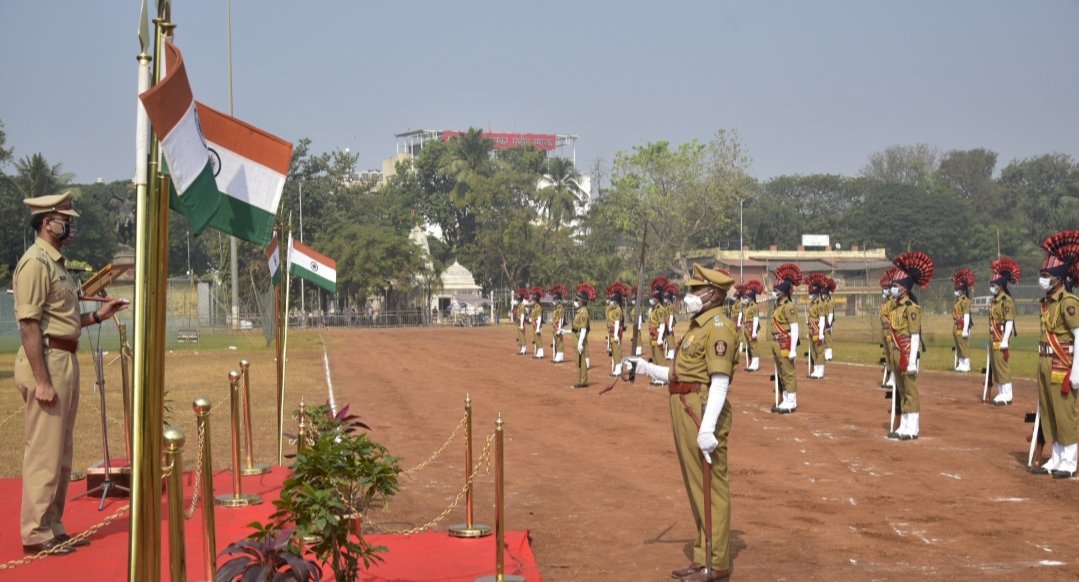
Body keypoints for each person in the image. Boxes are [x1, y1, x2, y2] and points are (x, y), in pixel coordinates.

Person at [14, 192, 130, 555]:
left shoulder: (57, 265)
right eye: (65, 219)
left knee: (61, 453)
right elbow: (29, 325)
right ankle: (35, 532)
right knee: (44, 451)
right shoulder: (35, 263)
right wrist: (42, 381)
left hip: (64, 357)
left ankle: (52, 524)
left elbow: (63, 320)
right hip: (46, 361)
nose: (70, 225)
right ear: (47, 223)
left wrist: (97, 315)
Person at [624, 263, 738, 581]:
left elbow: (719, 381)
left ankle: (716, 563)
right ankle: (704, 556)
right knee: (696, 486)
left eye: (696, 289)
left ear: (713, 294)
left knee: (711, 487)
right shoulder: (698, 326)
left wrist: (708, 427)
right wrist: (645, 367)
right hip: (684, 404)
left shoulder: (719, 328)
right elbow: (680, 373)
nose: (690, 295)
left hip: (699, 410)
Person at [1031, 231, 1079, 478]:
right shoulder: (1047, 301)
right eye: (1042, 274)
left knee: (1064, 412)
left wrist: (1077, 372)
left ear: (1059, 278)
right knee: (1049, 411)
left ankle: (1069, 461)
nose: (1043, 279)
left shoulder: (1068, 302)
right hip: (1045, 361)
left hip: (1062, 363)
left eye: (1047, 275)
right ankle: (1057, 457)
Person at [886, 251, 934, 440]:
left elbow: (914, 336)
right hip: (897, 353)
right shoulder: (896, 307)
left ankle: (913, 427)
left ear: (904, 288)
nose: (892, 289)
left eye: (895, 286)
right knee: (902, 390)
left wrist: (912, 361)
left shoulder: (911, 308)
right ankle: (904, 425)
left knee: (910, 391)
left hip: (907, 354)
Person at [770, 263, 803, 413]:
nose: (774, 292)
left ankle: (792, 400)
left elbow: (794, 327)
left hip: (785, 342)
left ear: (783, 291)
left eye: (776, 290)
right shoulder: (777, 305)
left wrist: (793, 349)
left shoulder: (789, 306)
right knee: (781, 372)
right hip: (776, 341)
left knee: (788, 372)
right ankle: (785, 398)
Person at [988, 257, 1021, 405]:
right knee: (996, 366)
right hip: (993, 336)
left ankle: (1007, 394)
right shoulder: (995, 300)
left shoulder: (1005, 300)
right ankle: (1001, 392)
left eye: (994, 284)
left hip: (1000, 336)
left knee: (1002, 365)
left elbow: (1009, 321)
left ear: (1001, 285)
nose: (992, 287)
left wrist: (1005, 340)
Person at [951, 268, 976, 373]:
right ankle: (961, 363)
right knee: (958, 345)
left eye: (958, 288)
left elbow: (966, 315)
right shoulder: (957, 300)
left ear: (962, 290)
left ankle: (966, 364)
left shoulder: (965, 301)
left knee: (963, 345)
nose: (956, 290)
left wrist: (965, 329)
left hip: (962, 325)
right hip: (956, 325)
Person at [570, 283, 595, 388]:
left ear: (583, 301)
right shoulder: (580, 311)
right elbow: (576, 327)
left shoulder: (584, 313)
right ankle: (581, 379)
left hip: (579, 338)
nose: (577, 301)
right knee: (578, 360)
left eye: (579, 300)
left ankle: (583, 381)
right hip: (576, 336)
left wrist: (580, 343)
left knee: (581, 360)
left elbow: (584, 329)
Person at [879, 267, 900, 390]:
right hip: (884, 331)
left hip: (891, 331)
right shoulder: (884, 302)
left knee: (893, 356)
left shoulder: (893, 302)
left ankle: (894, 377)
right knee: (887, 356)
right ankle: (890, 376)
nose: (884, 290)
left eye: (886, 288)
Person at [805, 273, 828, 379]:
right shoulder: (812, 302)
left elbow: (822, 318)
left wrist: (821, 333)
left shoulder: (820, 303)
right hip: (811, 329)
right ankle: (816, 369)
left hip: (817, 329)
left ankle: (820, 370)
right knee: (813, 350)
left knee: (819, 350)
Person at [648, 276, 669, 385]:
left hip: (658, 336)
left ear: (657, 299)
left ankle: (663, 378)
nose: (652, 299)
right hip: (652, 336)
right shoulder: (653, 309)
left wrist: (660, 338)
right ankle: (657, 377)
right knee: (655, 358)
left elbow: (662, 324)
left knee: (660, 358)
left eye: (653, 298)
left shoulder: (660, 309)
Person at [605, 282, 629, 377]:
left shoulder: (618, 310)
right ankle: (617, 368)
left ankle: (618, 369)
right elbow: (607, 313)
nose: (611, 302)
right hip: (611, 332)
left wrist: (615, 335)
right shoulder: (612, 309)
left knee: (617, 351)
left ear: (617, 301)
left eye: (613, 300)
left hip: (616, 332)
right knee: (614, 351)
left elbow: (617, 322)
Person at [742, 280, 764, 372]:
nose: (746, 298)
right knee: (750, 345)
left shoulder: (754, 306)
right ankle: (752, 363)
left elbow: (755, 319)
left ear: (751, 297)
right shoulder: (748, 306)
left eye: (747, 297)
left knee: (754, 345)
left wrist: (754, 331)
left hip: (751, 327)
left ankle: (756, 364)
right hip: (747, 327)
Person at [548, 284, 568, 364]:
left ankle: (560, 356)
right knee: (557, 342)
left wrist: (559, 329)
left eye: (555, 299)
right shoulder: (557, 308)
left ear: (559, 300)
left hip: (558, 327)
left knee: (559, 342)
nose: (554, 301)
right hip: (555, 327)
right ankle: (558, 356)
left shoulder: (560, 308)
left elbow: (561, 319)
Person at [664, 283, 680, 360]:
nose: (665, 298)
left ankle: (671, 353)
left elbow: (671, 316)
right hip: (667, 322)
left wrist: (670, 326)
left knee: (670, 337)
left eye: (666, 297)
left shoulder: (670, 305)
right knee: (667, 338)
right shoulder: (666, 305)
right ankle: (668, 352)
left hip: (670, 323)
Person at [823, 277, 836, 361]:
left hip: (828, 322)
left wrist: (828, 324)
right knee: (823, 340)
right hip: (822, 321)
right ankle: (824, 355)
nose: (823, 295)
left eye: (824, 294)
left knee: (828, 339)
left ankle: (828, 356)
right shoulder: (822, 301)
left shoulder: (829, 302)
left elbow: (831, 314)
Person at [530, 287, 545, 359]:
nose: (532, 300)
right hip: (534, 324)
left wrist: (538, 327)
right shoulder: (535, 307)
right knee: (536, 338)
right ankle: (538, 352)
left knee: (538, 338)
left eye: (533, 299)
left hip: (537, 324)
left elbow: (539, 317)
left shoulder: (538, 307)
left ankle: (541, 352)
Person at [512, 288, 528, 355]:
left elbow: (522, 315)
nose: (517, 301)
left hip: (521, 323)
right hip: (518, 322)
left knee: (522, 336)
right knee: (520, 336)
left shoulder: (521, 306)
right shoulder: (519, 306)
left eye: (518, 300)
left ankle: (524, 348)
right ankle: (522, 348)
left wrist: (521, 324)